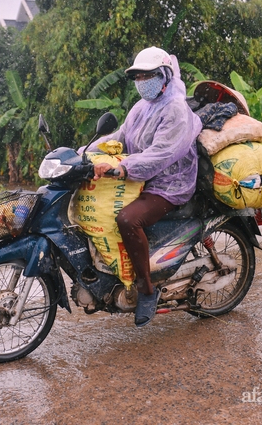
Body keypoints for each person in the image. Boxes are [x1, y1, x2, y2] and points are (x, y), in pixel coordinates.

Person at [87, 46, 203, 327]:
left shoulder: (176, 110)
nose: (141, 82)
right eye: (137, 77)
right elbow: (119, 137)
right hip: (143, 177)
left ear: (163, 75)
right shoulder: (141, 108)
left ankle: (146, 290)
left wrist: (123, 167)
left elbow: (161, 154)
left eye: (147, 75)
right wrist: (84, 154)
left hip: (169, 183)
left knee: (127, 219)